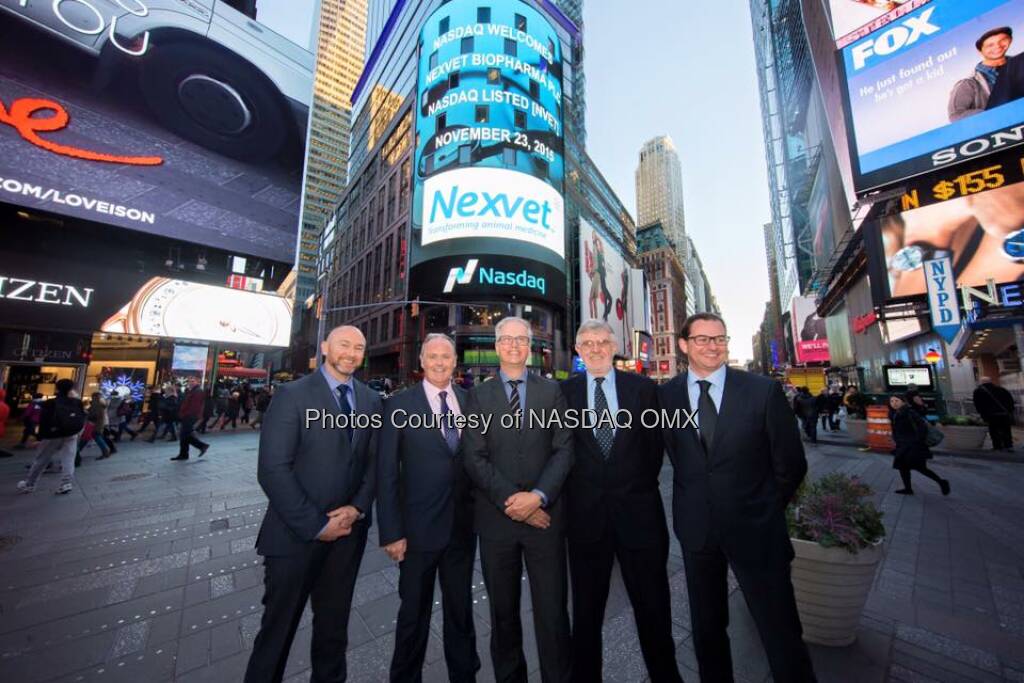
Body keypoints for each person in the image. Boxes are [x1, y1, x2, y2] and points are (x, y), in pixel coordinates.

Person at [659, 313, 816, 682]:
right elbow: (675, 456)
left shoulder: (762, 391)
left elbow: (791, 464)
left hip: (758, 531)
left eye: (720, 339)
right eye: (702, 339)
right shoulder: (665, 397)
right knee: (707, 630)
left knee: (779, 629)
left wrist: (762, 507)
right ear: (683, 346)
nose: (712, 346)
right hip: (697, 531)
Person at [244, 326, 382, 683]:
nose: (351, 353)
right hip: (294, 538)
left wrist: (357, 509)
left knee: (334, 632)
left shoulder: (370, 400)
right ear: (325, 347)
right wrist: (318, 525)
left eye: (359, 348)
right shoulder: (292, 395)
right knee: (277, 633)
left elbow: (372, 464)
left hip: (348, 537)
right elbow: (272, 469)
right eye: (344, 345)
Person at [560, 320, 681, 683]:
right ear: (577, 351)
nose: (595, 349)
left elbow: (654, 449)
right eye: (587, 343)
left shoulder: (644, 390)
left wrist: (632, 486)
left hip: (640, 518)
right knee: (585, 615)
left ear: (615, 346)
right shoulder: (562, 393)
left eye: (602, 342)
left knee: (655, 611)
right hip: (585, 523)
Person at [462, 316, 573, 683]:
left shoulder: (550, 392)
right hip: (498, 524)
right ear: (496, 347)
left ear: (530, 347)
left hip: (545, 520)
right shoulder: (478, 396)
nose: (513, 346)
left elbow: (563, 450)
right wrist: (517, 503)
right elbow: (474, 457)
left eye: (521, 340)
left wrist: (538, 498)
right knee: (503, 615)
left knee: (553, 613)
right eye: (506, 340)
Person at [377, 334, 480, 682]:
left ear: (455, 362)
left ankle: (464, 675)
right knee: (413, 616)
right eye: (432, 356)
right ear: (421, 361)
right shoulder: (398, 405)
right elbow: (387, 472)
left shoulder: (470, 401)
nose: (439, 362)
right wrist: (391, 532)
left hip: (461, 533)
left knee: (461, 612)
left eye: (446, 357)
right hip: (416, 534)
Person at [17, 379, 86, 495]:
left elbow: (44, 421)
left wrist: (40, 437)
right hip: (71, 433)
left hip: (53, 435)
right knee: (68, 459)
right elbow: (81, 416)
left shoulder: (50, 403)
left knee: (42, 459)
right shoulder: (76, 402)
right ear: (71, 389)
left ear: (57, 388)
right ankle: (66, 483)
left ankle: (29, 484)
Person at [889, 395, 951, 496]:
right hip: (903, 445)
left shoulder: (909, 413)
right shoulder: (895, 414)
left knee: (920, 468)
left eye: (897, 400)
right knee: (902, 467)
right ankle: (908, 488)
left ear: (903, 402)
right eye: (892, 401)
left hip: (914, 446)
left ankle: (942, 482)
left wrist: (917, 441)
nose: (894, 403)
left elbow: (922, 427)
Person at [949, 27, 1015, 121]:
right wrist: (994, 114)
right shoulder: (967, 84)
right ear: (980, 51)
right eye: (990, 45)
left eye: (1003, 40)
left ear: (1010, 40)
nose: (998, 46)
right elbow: (956, 115)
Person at [973, 376, 1016, 451]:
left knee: (994, 430)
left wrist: (982, 414)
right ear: (990, 381)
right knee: (1006, 429)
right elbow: (1010, 401)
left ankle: (997, 446)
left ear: (981, 382)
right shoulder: (1001, 389)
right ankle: (1008, 445)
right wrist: (1010, 411)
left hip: (991, 415)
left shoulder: (978, 391)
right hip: (1004, 414)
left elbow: (978, 405)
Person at [171, 378, 210, 462]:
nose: (191, 383)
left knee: (184, 435)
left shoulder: (198, 391)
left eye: (193, 381)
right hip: (188, 415)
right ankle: (184, 454)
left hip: (190, 415)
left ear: (198, 382)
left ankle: (201, 446)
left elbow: (195, 406)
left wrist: (187, 414)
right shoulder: (192, 390)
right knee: (184, 435)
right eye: (190, 381)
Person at [80, 392, 116, 459]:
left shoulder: (96, 405)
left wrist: (87, 414)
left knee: (92, 438)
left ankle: (106, 451)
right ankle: (106, 451)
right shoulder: (100, 404)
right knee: (94, 438)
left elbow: (94, 415)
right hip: (99, 424)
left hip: (94, 424)